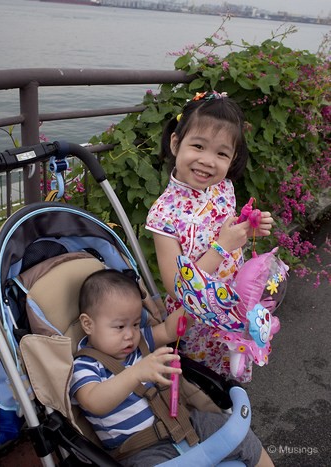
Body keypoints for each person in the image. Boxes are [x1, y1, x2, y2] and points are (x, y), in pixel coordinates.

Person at [70, 268, 274, 467]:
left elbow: (170, 330)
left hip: (187, 423)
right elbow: (94, 401)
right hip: (141, 451)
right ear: (88, 324)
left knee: (239, 435)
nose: (130, 334)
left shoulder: (141, 343)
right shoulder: (85, 365)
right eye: (119, 326)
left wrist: (196, 305)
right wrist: (135, 373)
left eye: (134, 324)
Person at [146, 90, 274, 383]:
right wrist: (222, 246)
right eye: (198, 146)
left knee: (231, 371)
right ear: (176, 143)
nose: (207, 161)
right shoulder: (163, 214)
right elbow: (179, 288)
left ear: (232, 159)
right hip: (196, 321)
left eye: (221, 153)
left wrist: (247, 226)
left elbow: (226, 230)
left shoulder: (223, 188)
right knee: (202, 386)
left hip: (234, 305)